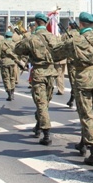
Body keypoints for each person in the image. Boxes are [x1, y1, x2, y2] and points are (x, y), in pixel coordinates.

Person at [52, 12, 93, 166]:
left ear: (81, 24)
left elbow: (55, 54)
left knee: (86, 115)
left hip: (83, 77)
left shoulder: (75, 40)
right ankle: (83, 142)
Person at [14, 13, 60, 145]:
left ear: (36, 23)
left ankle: (46, 133)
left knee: (41, 103)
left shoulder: (31, 38)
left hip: (39, 72)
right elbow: (60, 53)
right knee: (45, 102)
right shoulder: (54, 37)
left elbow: (17, 50)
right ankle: (39, 125)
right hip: (51, 72)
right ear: (45, 23)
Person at [0, 30, 21, 101]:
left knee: (6, 78)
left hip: (4, 62)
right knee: (12, 78)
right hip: (13, 62)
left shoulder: (2, 43)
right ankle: (12, 92)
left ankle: (9, 93)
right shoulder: (14, 44)